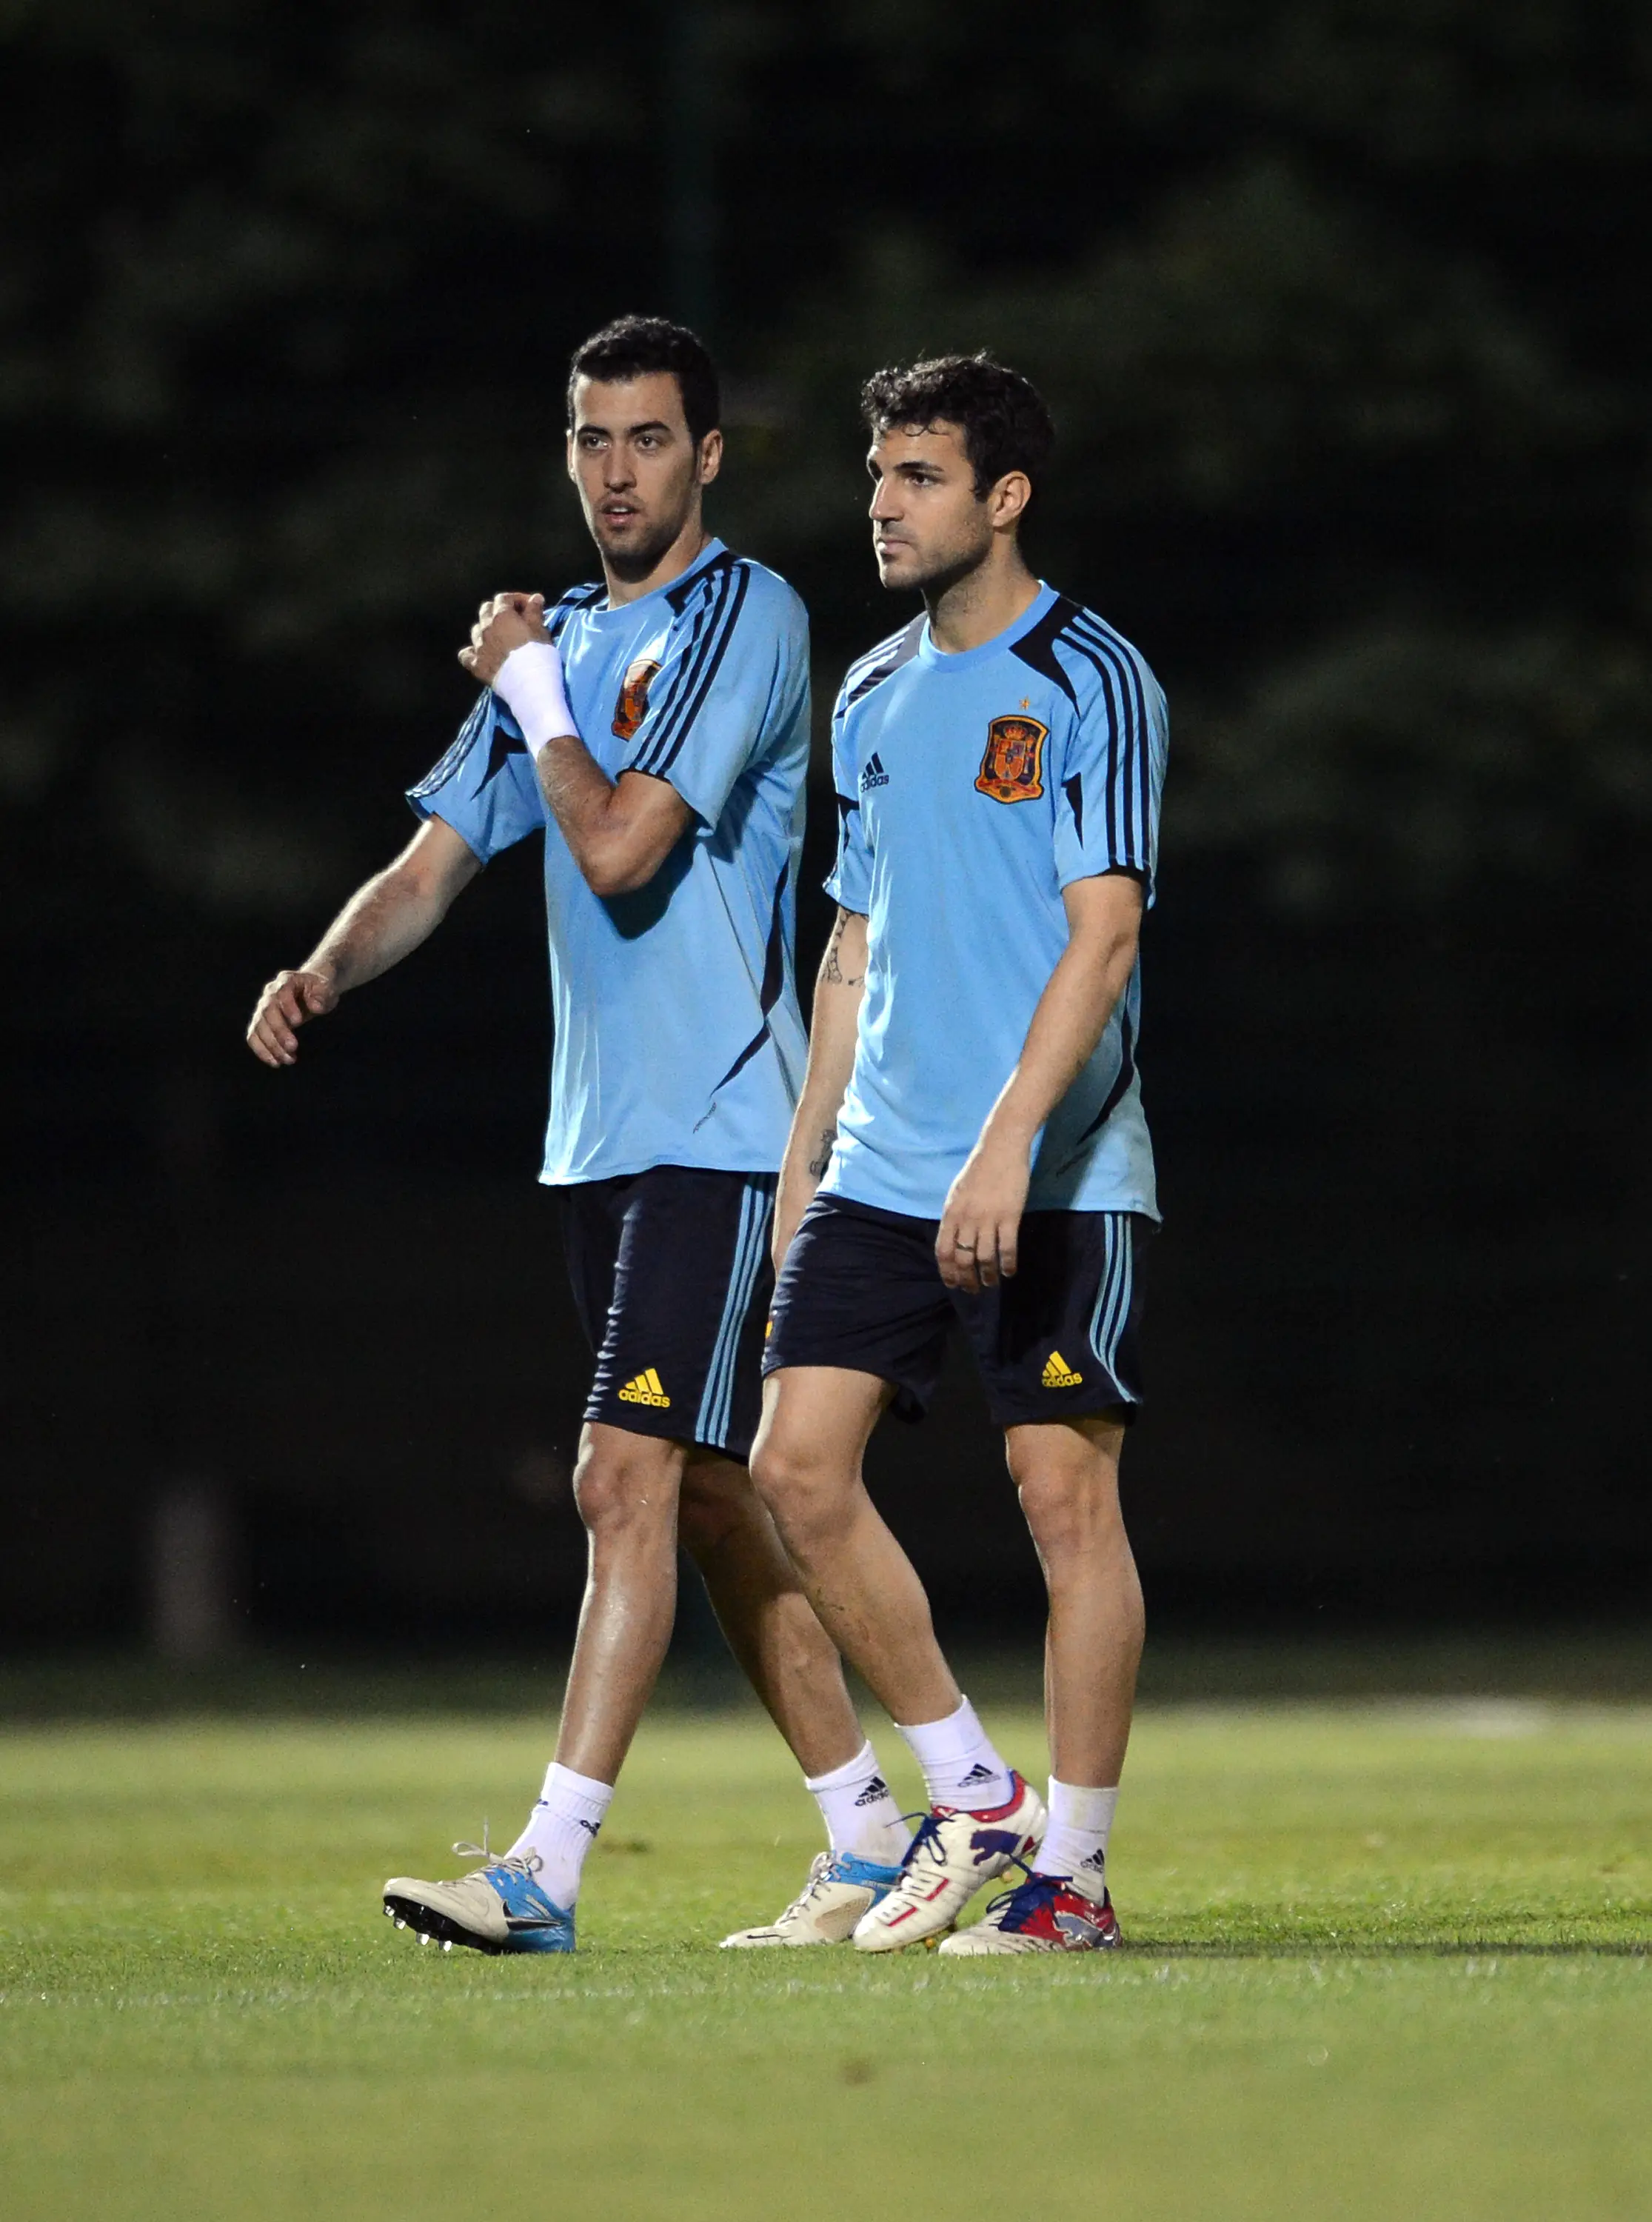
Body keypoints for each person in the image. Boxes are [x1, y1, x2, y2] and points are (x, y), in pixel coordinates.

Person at [246, 316, 909, 1955]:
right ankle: (874, 1835)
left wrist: (532, 678)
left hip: (717, 1128)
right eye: (591, 440)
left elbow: (615, 849)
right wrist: (324, 967)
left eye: (648, 439)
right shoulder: (549, 660)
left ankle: (541, 1871)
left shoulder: (741, 616)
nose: (616, 471)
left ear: (706, 456)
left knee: (616, 1480)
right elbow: (430, 866)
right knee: (702, 1499)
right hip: (596, 1147)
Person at [752, 352, 1168, 1955]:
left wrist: (1007, 1143)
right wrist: (804, 1162)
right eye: (875, 477)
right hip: (878, 1159)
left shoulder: (1090, 677)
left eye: (915, 477)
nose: (880, 504)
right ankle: (969, 1790)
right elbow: (851, 944)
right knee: (794, 1471)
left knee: (1059, 1498)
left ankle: (1070, 1875)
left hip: (1055, 1167)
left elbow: (1105, 933)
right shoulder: (864, 694)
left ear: (1003, 497)